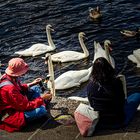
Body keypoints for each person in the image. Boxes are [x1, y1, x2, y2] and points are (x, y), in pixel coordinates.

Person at [0, 58, 52, 132]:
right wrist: (41, 98)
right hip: (13, 113)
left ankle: (40, 103)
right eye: (22, 71)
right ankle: (42, 104)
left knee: (36, 87)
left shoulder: (8, 77)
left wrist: (31, 83)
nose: (24, 73)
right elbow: (25, 106)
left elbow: (19, 87)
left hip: (17, 102)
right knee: (42, 110)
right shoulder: (10, 89)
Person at [87, 57, 140, 129]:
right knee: (137, 95)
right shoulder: (116, 82)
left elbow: (91, 103)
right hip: (118, 122)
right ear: (109, 68)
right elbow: (121, 101)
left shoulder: (90, 85)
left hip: (100, 122)